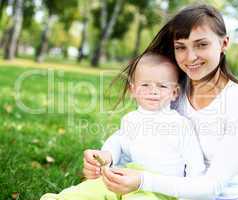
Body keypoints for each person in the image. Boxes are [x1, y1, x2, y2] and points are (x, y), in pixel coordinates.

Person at [83, 4, 238, 200]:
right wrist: (107, 156)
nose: (190, 57)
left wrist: (143, 181)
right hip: (149, 191)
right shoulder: (170, 88)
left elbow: (212, 186)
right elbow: (134, 129)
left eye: (201, 44)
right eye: (180, 47)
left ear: (224, 43)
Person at [40, 53, 206, 200]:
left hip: (157, 190)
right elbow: (118, 142)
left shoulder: (181, 125)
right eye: (145, 85)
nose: (153, 91)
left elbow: (195, 167)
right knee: (86, 190)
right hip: (123, 177)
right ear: (133, 90)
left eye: (162, 86)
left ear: (174, 92)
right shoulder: (130, 119)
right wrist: (107, 155)